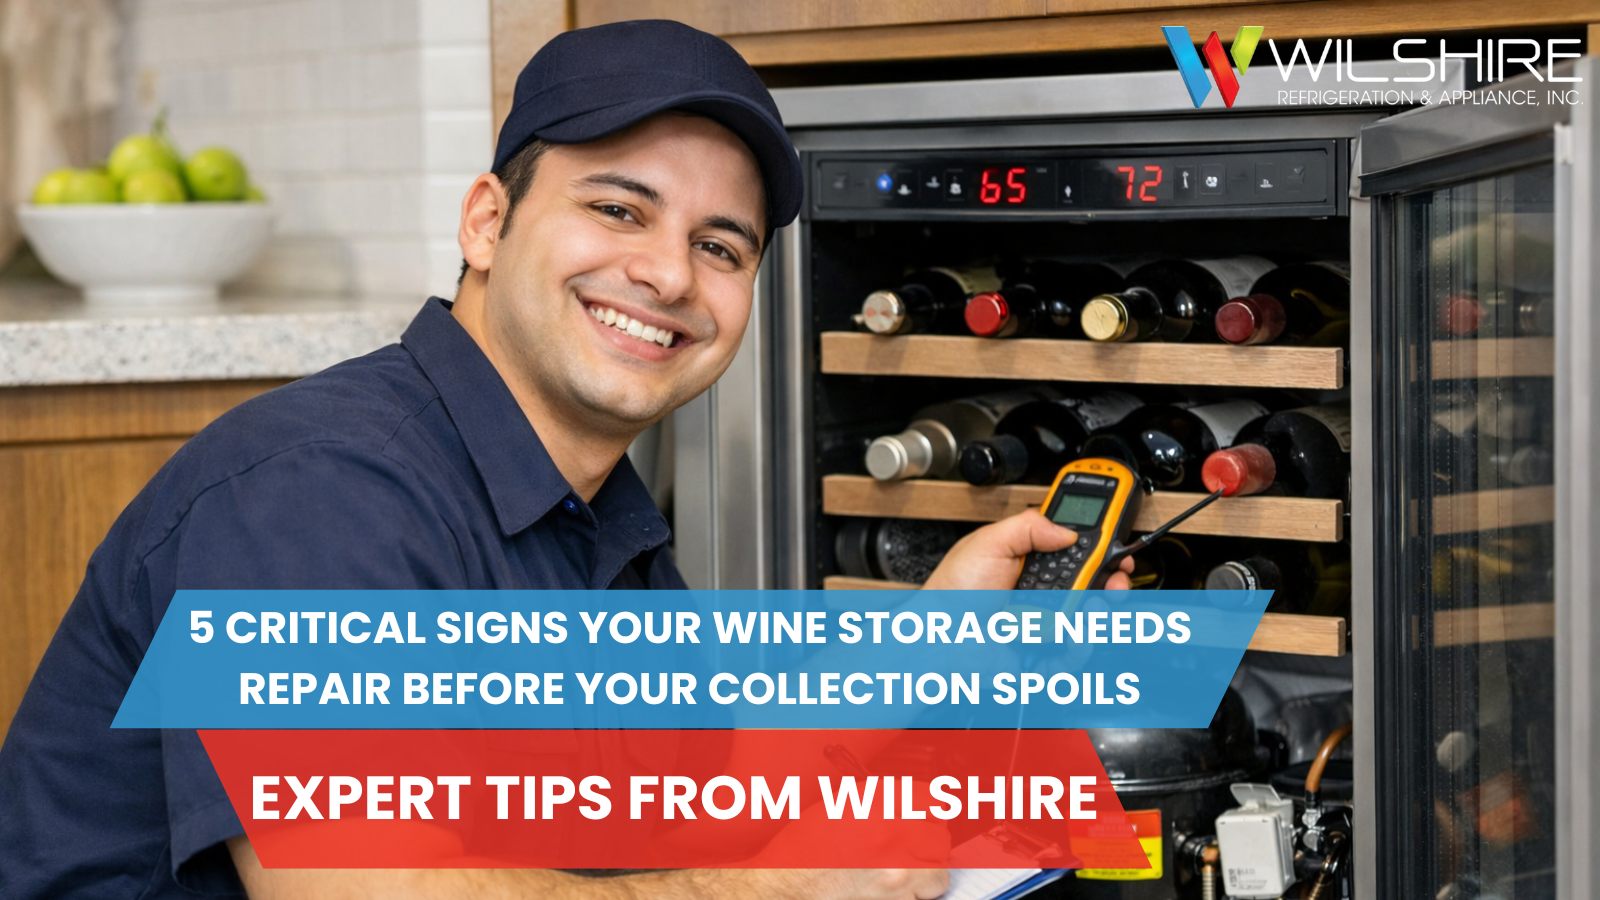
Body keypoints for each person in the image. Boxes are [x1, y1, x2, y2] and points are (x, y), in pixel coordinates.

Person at [0, 19, 1131, 900]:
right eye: (618, 208)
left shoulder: (601, 523)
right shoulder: (315, 496)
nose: (669, 277)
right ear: (487, 222)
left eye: (719, 246)